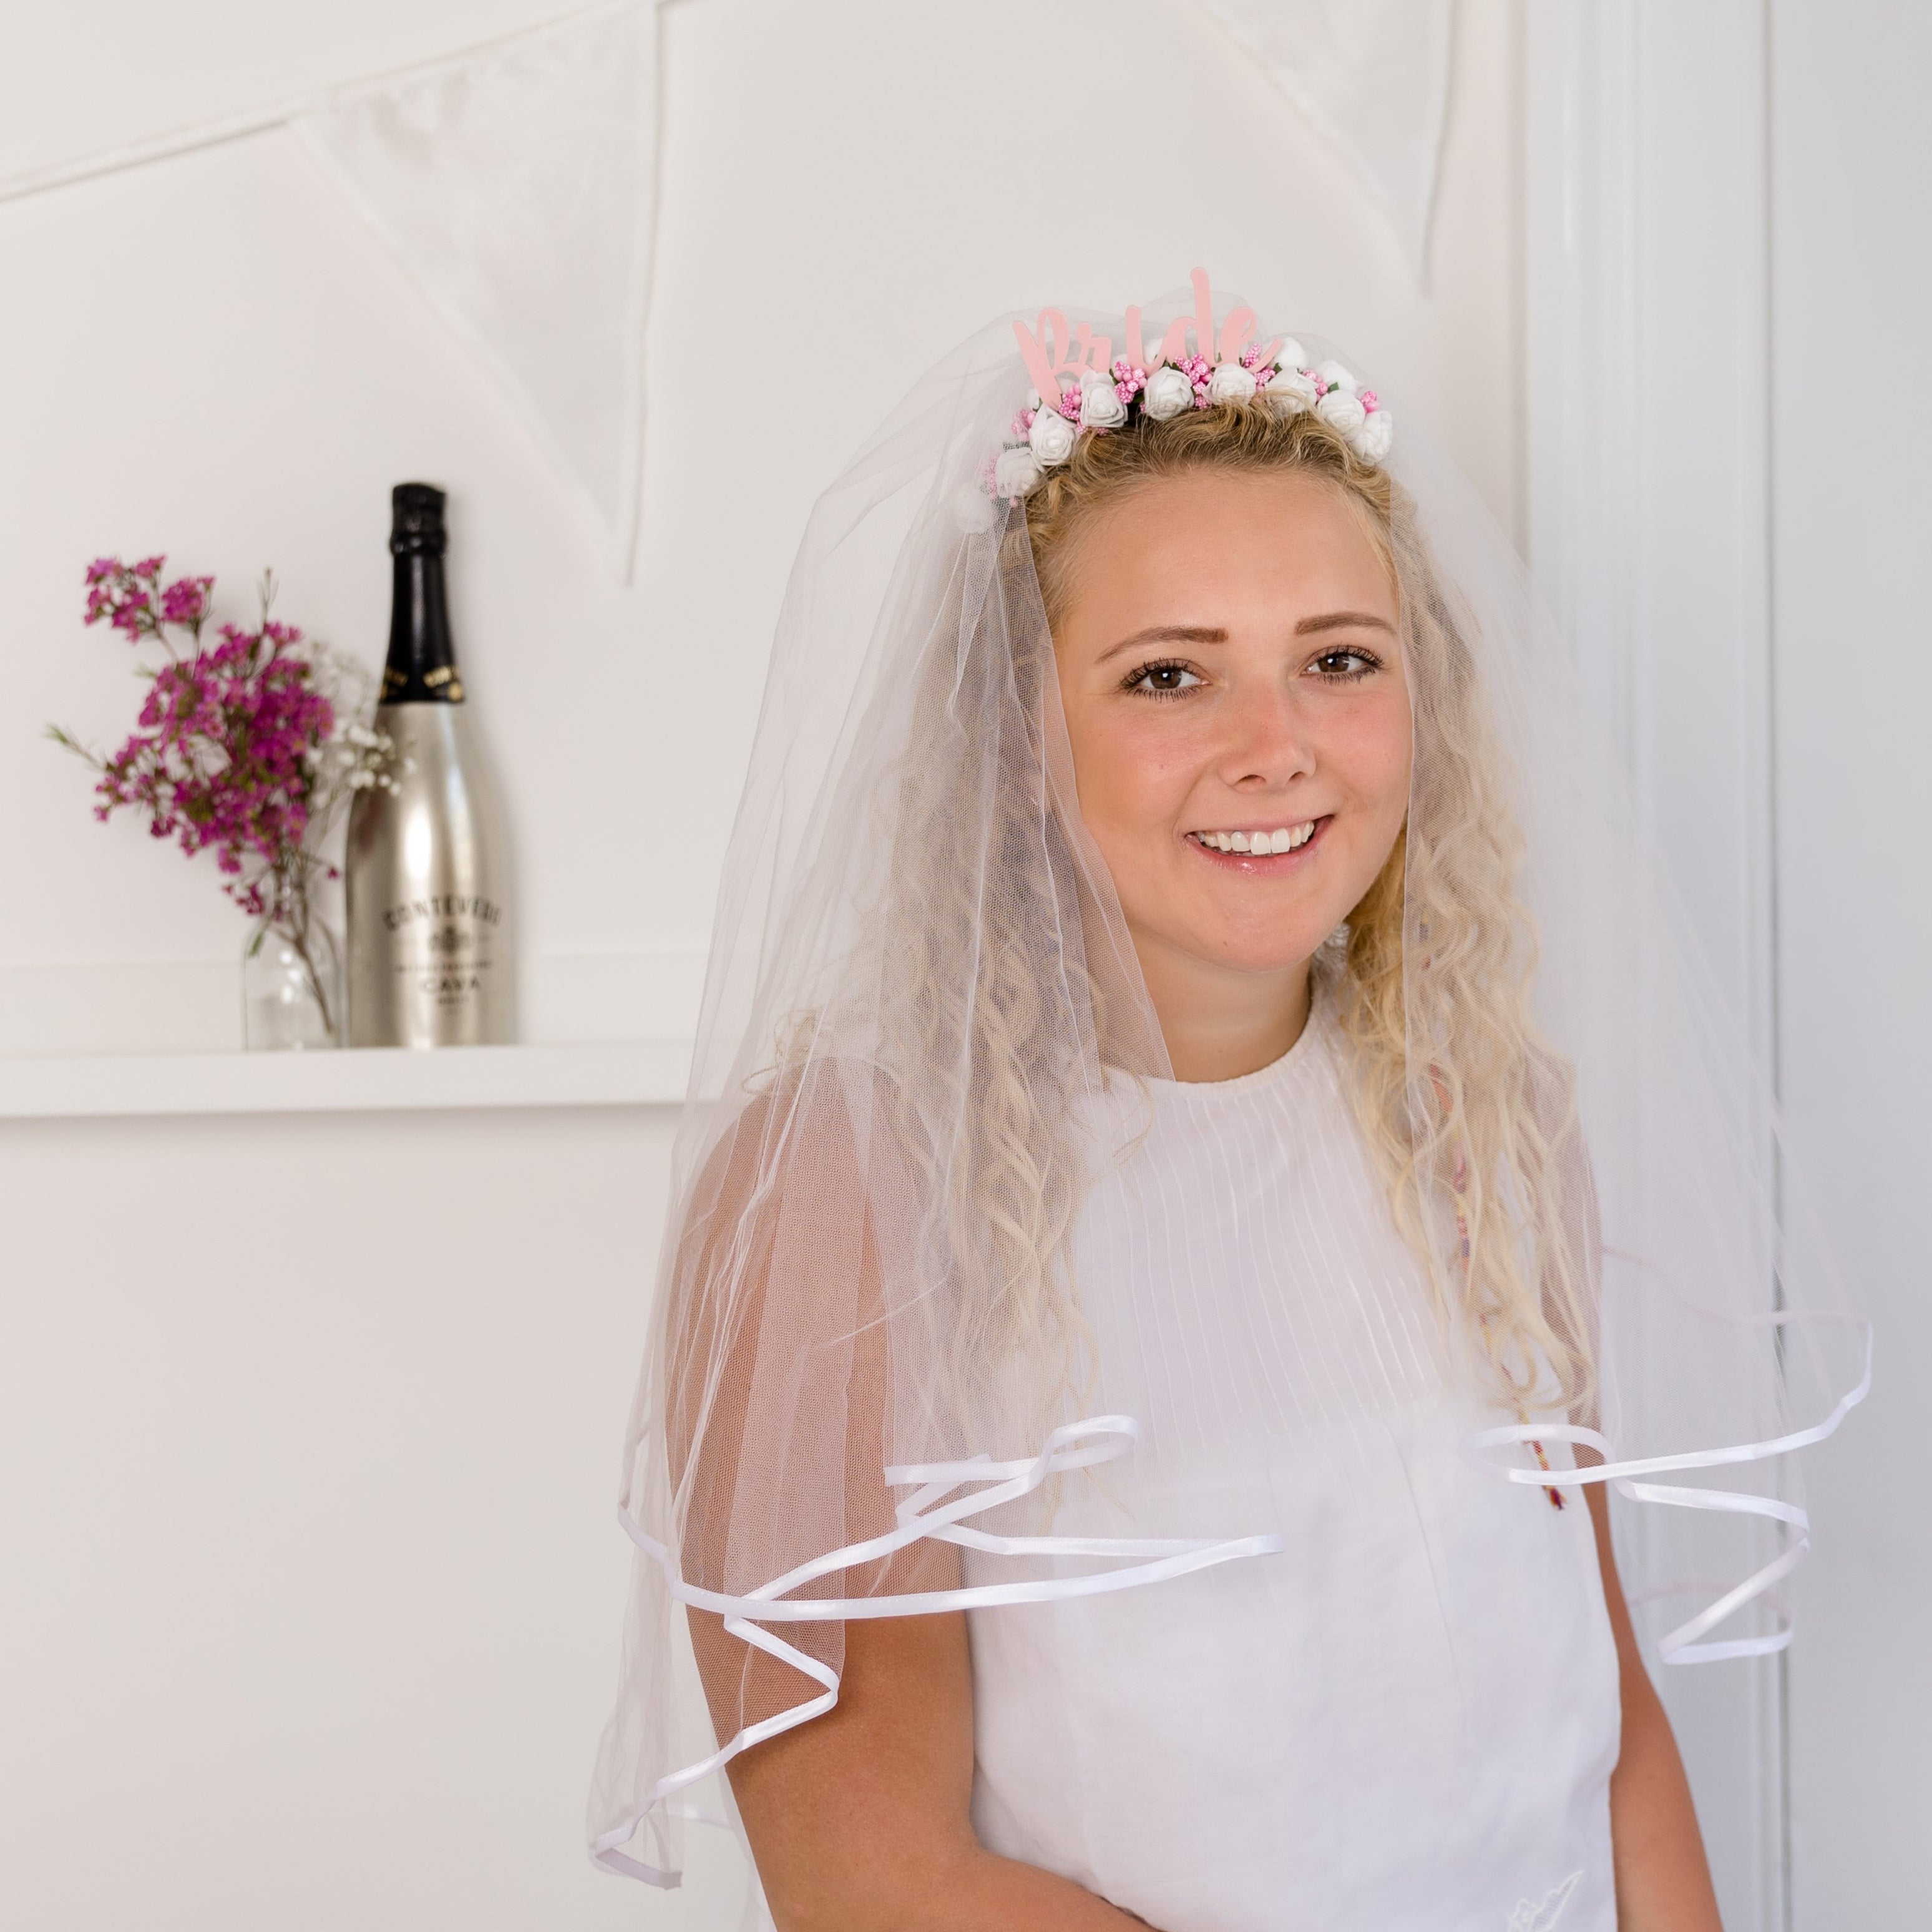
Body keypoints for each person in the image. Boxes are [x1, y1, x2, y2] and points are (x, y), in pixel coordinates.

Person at [588, 274, 1867, 1931]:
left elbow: (1608, 1732)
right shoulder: (855, 1178)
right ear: (1013, 738)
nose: (1277, 748)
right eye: (1169, 678)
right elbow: (870, 1872)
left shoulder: (1492, 1127)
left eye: (1339, 659)